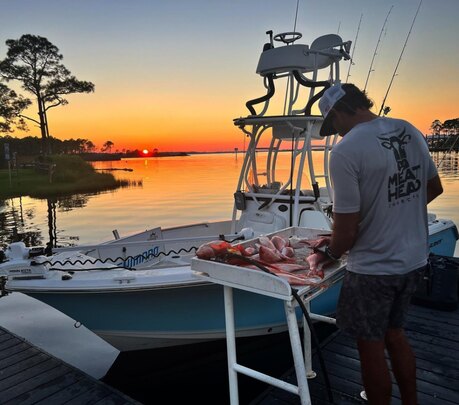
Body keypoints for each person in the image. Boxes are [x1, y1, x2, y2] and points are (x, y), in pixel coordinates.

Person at [313, 83, 443, 405]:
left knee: (369, 347)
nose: (337, 133)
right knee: (395, 334)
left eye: (334, 124)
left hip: (373, 270)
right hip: (414, 261)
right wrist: (393, 215)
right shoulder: (409, 130)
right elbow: (433, 188)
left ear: (339, 111)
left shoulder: (345, 152)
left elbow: (345, 233)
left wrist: (328, 252)